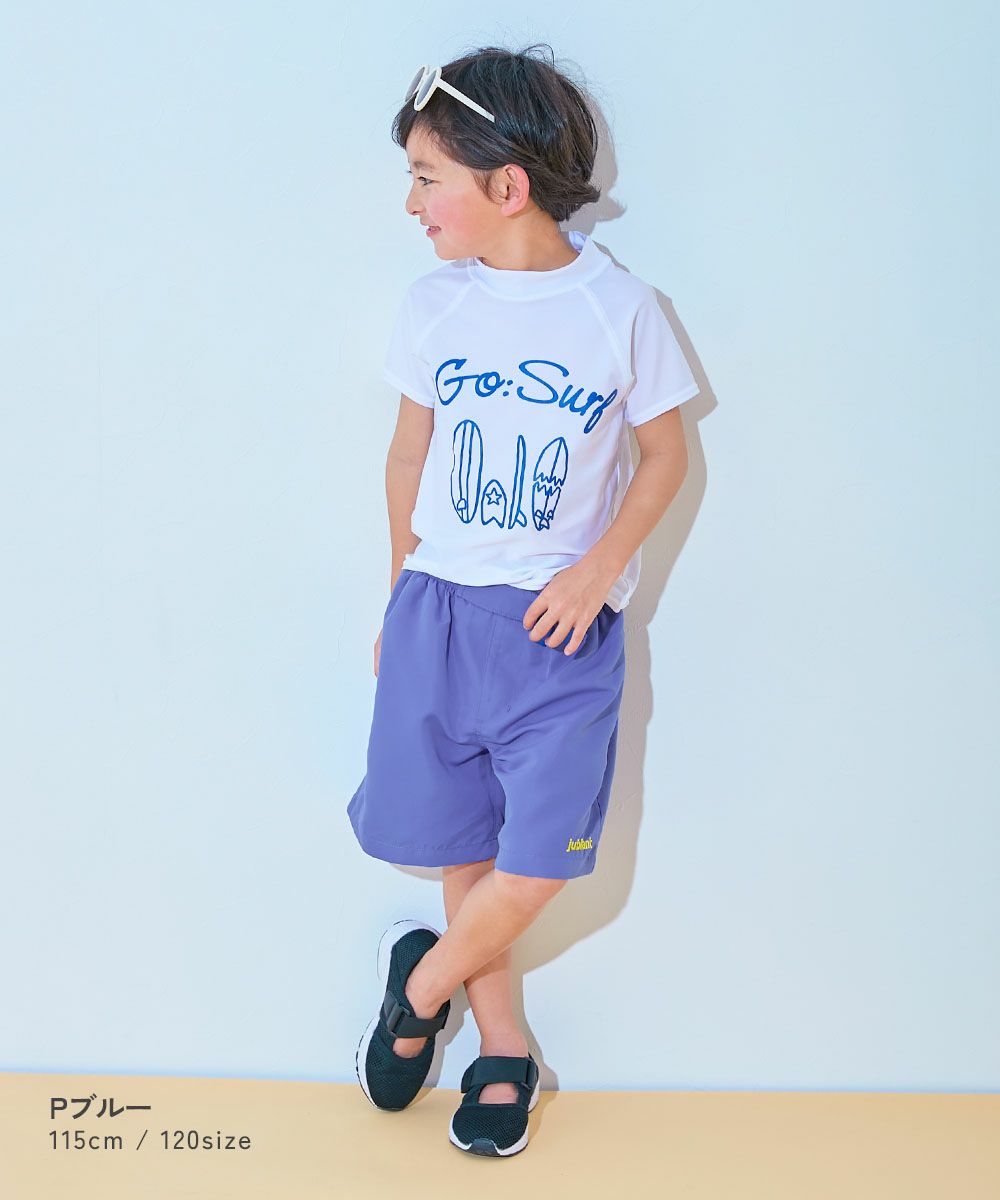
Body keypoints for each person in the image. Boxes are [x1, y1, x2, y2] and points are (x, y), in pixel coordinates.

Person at [348, 44, 699, 1157]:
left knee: (538, 858)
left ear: (507, 185)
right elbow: (407, 457)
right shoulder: (433, 306)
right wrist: (397, 595)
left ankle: (421, 989)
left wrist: (598, 570)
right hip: (440, 613)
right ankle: (501, 1047)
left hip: (559, 632)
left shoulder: (620, 308)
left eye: (426, 177)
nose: (411, 203)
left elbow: (664, 455)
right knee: (467, 842)